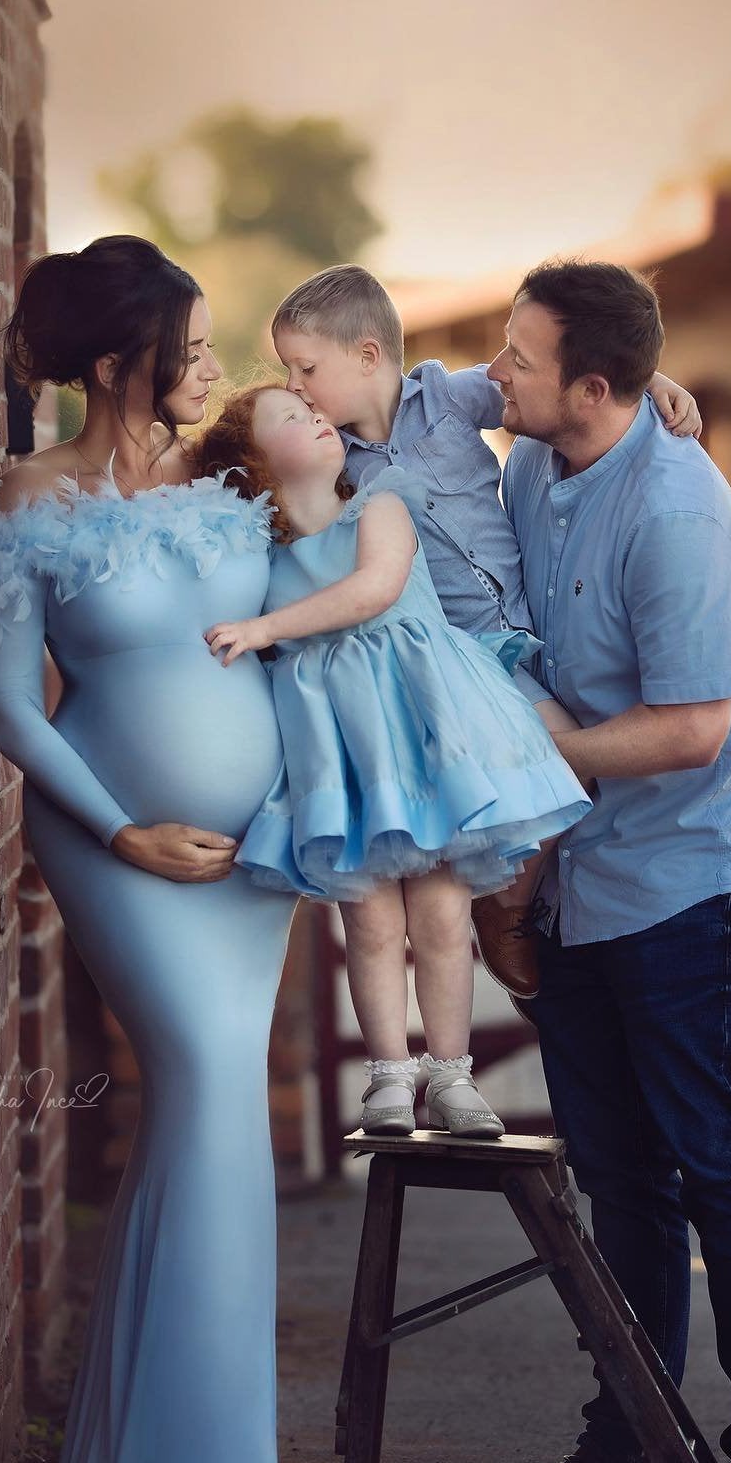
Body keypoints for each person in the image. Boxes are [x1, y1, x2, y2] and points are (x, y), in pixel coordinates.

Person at [0, 234, 403, 1463]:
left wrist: (661, 405)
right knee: (214, 1114)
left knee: (195, 1155)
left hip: (255, 860)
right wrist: (120, 834)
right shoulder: (25, 501)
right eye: (190, 339)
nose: (212, 362)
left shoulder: (230, 472)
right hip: (124, 860)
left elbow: (394, 409)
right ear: (116, 361)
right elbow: (9, 712)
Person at [449, 259, 731, 1463]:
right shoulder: (533, 467)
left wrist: (524, 744)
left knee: (722, 1175)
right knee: (621, 1187)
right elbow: (407, 395)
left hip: (694, 882)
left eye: (524, 357)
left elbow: (693, 730)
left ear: (592, 387)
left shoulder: (679, 513)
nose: (501, 370)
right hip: (588, 881)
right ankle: (632, 1455)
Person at [268, 264, 703, 998]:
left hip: (515, 636)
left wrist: (654, 383)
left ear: (370, 356)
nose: (296, 385)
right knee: (537, 757)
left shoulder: (446, 395)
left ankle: (504, 892)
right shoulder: (330, 462)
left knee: (564, 766)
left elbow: (567, 382)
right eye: (288, 370)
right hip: (448, 652)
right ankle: (497, 904)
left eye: (306, 367)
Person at [193, 386, 592, 1137]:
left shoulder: (380, 507)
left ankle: (450, 1074)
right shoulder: (260, 558)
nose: (317, 414)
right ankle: (387, 1075)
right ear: (254, 461)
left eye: (313, 405)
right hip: (346, 752)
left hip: (422, 736)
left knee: (442, 914)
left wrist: (265, 627)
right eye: (290, 415)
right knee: (369, 921)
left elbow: (373, 592)